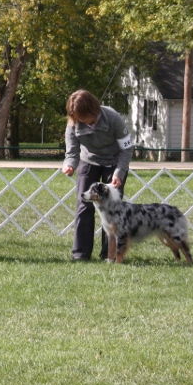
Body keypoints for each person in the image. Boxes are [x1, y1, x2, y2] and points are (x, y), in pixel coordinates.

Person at [61, 89, 134, 261]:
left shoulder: (112, 118)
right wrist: (70, 165)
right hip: (89, 161)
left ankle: (110, 255)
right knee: (83, 206)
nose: (79, 120)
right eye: (76, 117)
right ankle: (80, 255)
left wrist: (119, 172)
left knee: (112, 210)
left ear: (92, 110)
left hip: (114, 162)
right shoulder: (73, 123)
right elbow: (71, 152)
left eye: (81, 116)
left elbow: (127, 148)